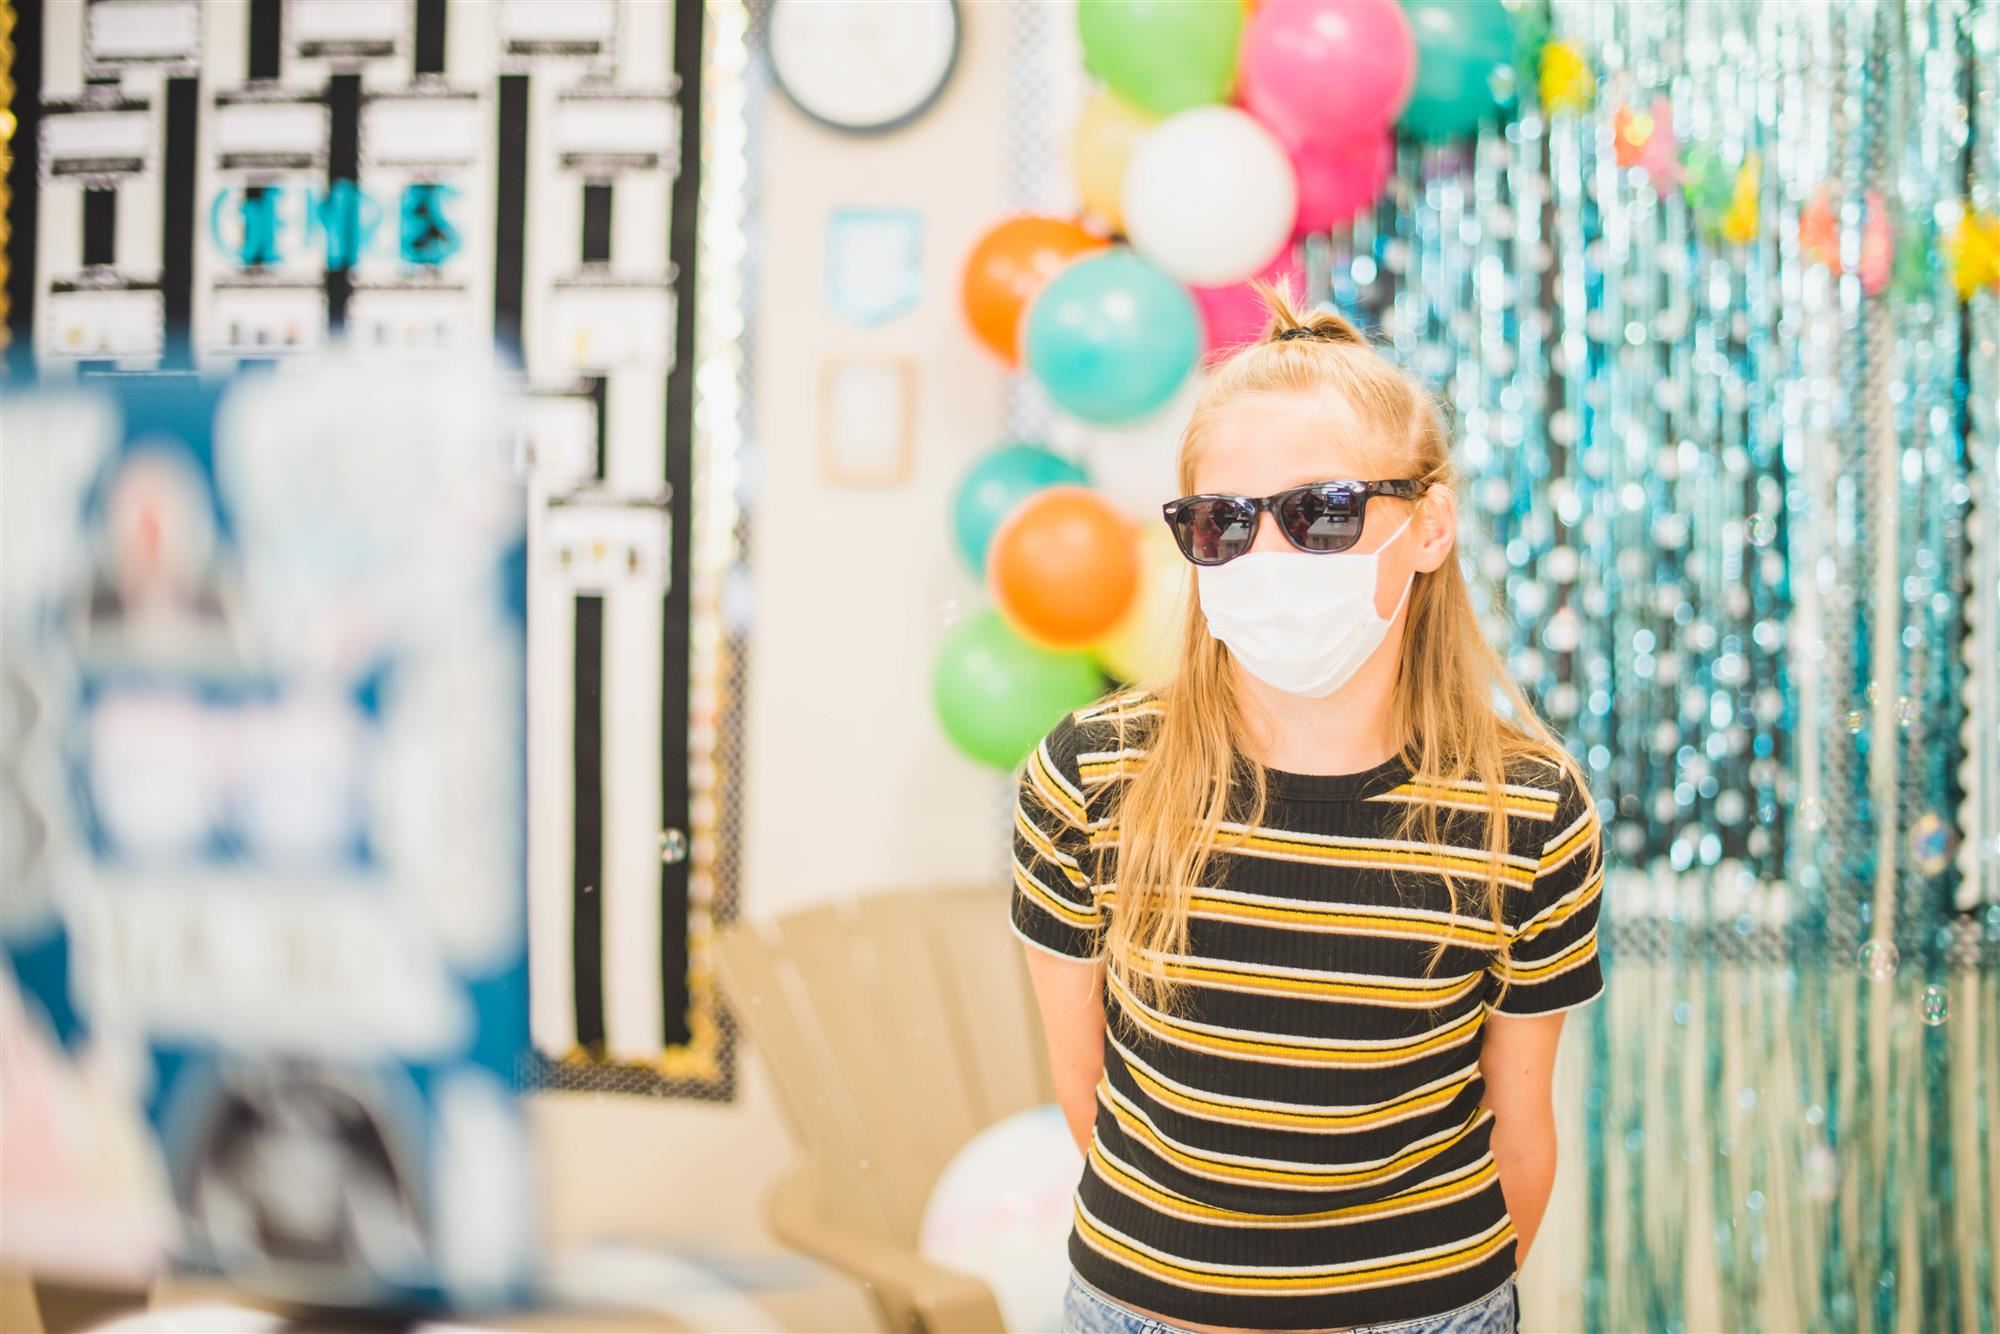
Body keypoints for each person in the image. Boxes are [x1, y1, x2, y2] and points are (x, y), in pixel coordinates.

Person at [1009, 283, 1605, 1334]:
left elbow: (1520, 1127)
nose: (1266, 558)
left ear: (1428, 526)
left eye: (1320, 513)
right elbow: (1085, 1082)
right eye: (1221, 522)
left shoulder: (1527, 809)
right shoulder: (1089, 776)